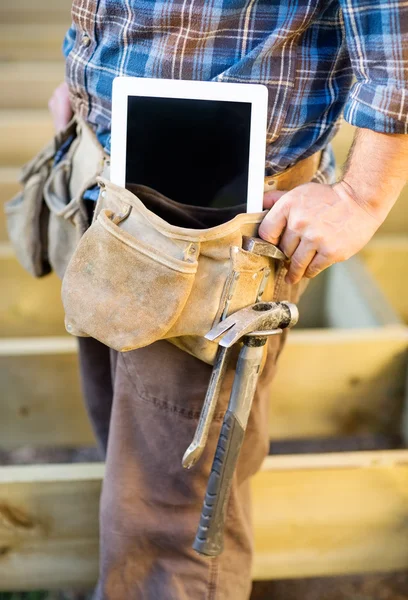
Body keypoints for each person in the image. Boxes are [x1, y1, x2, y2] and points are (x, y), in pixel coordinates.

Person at [48, 1, 408, 598]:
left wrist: (363, 197)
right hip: (107, 178)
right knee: (131, 466)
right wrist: (83, 73)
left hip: (211, 229)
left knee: (172, 525)